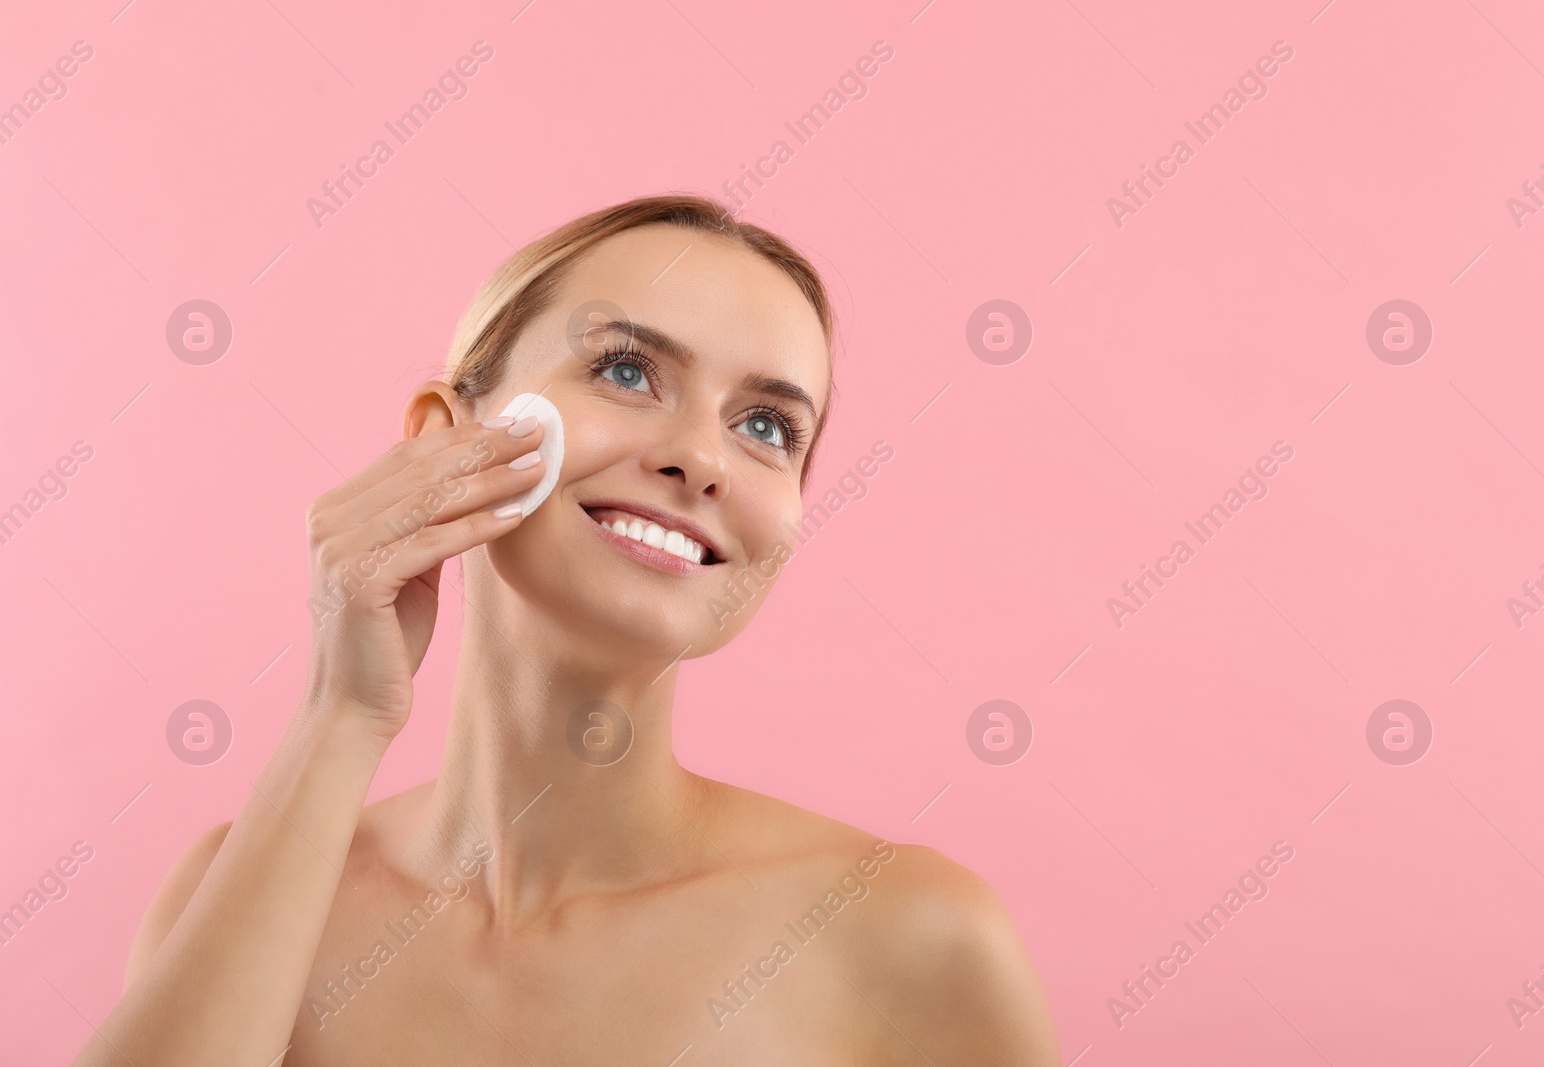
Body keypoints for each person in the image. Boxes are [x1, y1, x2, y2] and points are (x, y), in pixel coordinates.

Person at [73, 194, 1061, 1065]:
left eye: (767, 426)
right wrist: (343, 713)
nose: (701, 457)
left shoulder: (914, 937)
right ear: (443, 441)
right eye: (627, 369)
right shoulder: (236, 895)